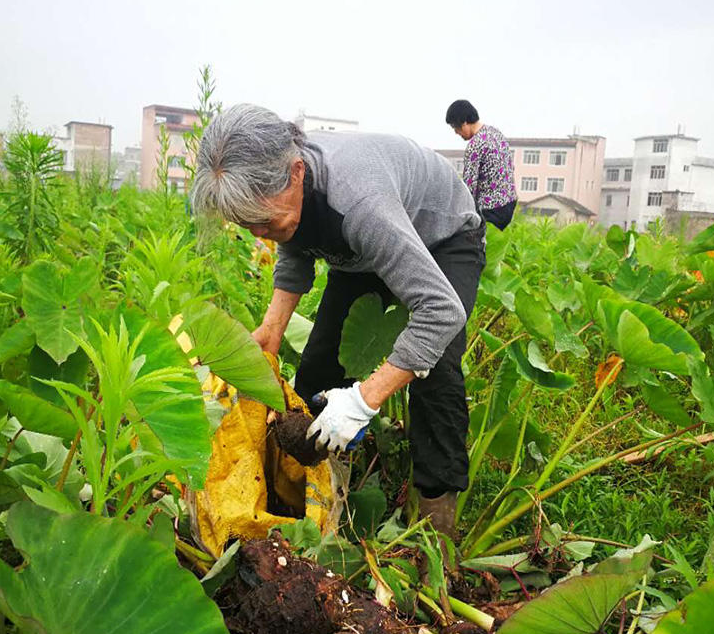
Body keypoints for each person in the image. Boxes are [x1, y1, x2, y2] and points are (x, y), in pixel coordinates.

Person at [192, 104, 486, 534]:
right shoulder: (290, 190)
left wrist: (364, 400)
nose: (259, 234)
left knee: (434, 371)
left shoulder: (359, 200)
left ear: (296, 173)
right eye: (248, 225)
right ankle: (309, 499)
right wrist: (272, 329)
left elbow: (441, 312)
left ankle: (434, 525)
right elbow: (295, 240)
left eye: (264, 221)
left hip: (442, 236)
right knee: (317, 369)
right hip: (362, 255)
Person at [445, 100, 517, 230]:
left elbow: (468, 188)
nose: (456, 133)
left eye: (455, 128)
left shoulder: (475, 145)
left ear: (464, 122)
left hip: (491, 210)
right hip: (509, 203)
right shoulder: (496, 133)